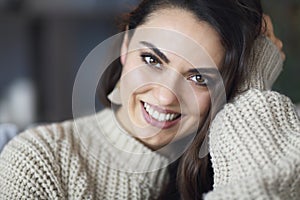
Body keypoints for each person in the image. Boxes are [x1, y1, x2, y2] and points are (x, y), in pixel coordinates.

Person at [0, 1, 299, 200]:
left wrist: (251, 86)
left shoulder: (229, 164)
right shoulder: (40, 160)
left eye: (199, 78)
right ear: (126, 45)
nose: (166, 95)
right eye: (152, 59)